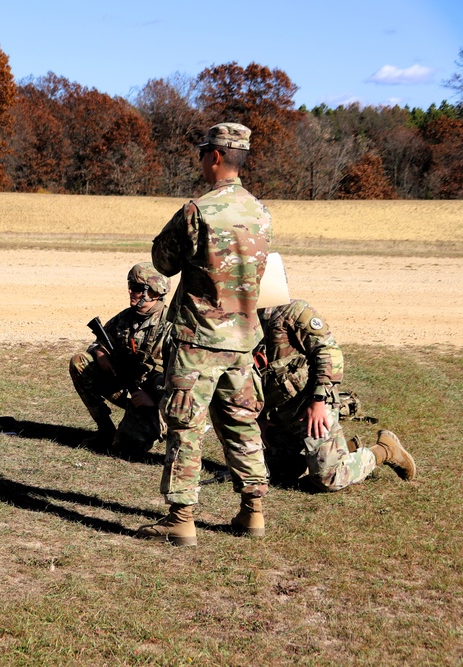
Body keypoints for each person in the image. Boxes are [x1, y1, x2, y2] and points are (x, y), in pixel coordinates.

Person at [138, 122, 272, 547]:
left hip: (199, 339)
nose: (200, 161)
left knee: (185, 426)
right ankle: (253, 512)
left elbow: (163, 262)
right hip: (243, 340)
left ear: (215, 156)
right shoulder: (261, 212)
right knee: (241, 423)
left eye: (202, 154)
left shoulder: (199, 210)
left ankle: (181, 520)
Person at [257, 299, 415, 490]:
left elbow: (329, 352)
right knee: (268, 472)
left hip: (311, 407)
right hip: (279, 414)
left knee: (329, 478)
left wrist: (318, 402)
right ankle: (338, 452)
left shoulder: (292, 311)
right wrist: (260, 418)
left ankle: (385, 450)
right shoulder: (241, 320)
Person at [69, 262, 172, 456]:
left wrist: (153, 400)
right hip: (127, 389)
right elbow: (98, 343)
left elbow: (181, 376)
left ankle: (163, 424)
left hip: (156, 398)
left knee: (125, 449)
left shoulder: (171, 324)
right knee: (80, 361)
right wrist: (100, 355)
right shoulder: (125, 318)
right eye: (130, 285)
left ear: (155, 293)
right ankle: (105, 429)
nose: (130, 291)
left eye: (137, 288)